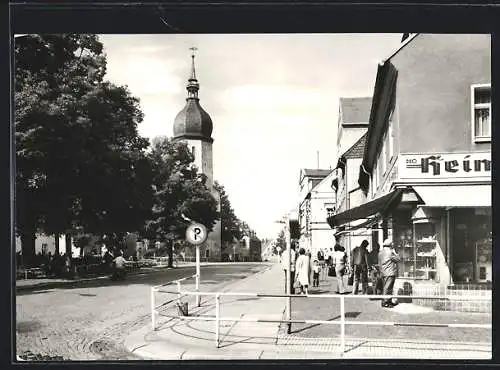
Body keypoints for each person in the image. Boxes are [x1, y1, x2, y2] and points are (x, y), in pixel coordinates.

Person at [378, 238, 401, 308]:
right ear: (390, 245)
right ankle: (385, 302)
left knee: (386, 287)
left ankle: (388, 301)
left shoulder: (380, 252)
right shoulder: (390, 252)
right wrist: (395, 252)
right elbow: (398, 259)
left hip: (383, 272)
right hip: (390, 272)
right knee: (388, 288)